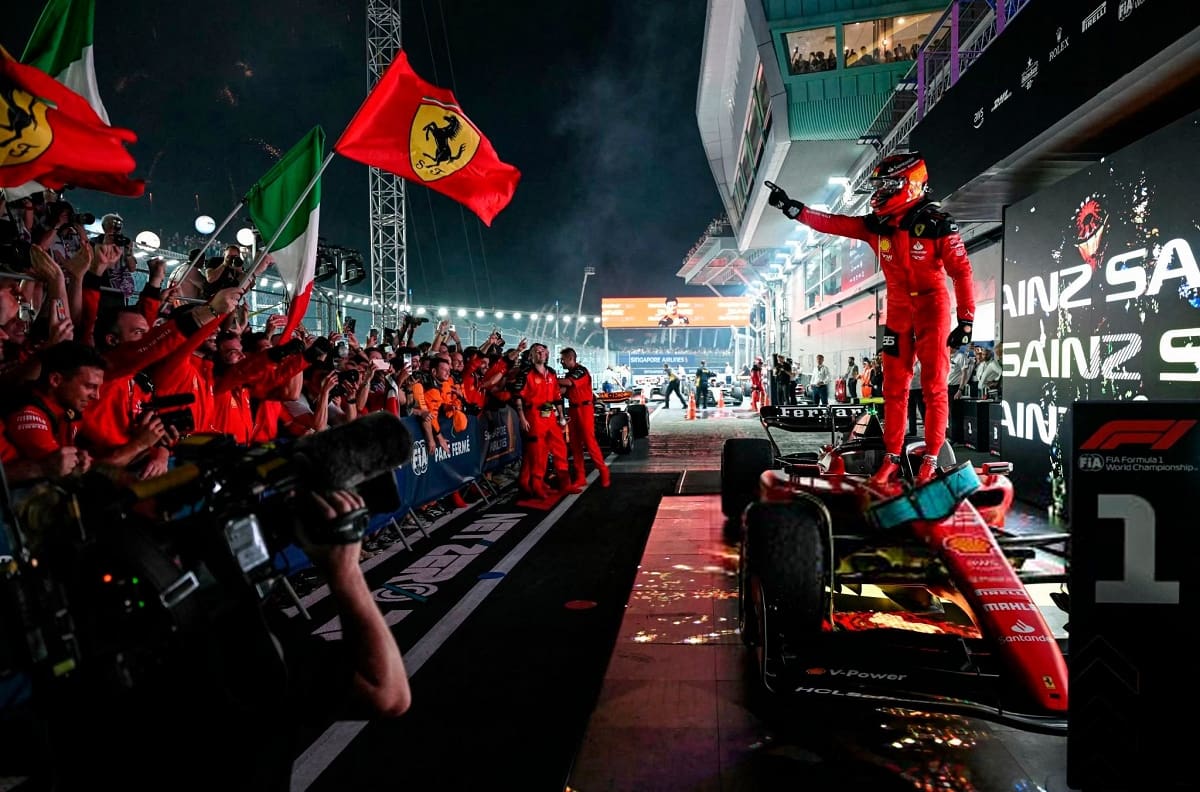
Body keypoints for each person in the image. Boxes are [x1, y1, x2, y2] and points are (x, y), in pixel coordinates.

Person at [767, 151, 975, 485]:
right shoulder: (875, 225)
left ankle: (931, 459)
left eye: (888, 184)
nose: (880, 191)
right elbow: (833, 223)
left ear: (910, 184)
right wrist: (795, 210)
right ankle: (892, 457)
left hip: (932, 307)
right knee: (894, 387)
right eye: (879, 184)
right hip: (897, 309)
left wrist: (965, 320)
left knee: (935, 386)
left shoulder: (938, 224)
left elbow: (961, 273)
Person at [559, 347, 611, 488]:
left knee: (590, 442)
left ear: (570, 358)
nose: (561, 363)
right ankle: (580, 477)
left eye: (563, 360)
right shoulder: (570, 373)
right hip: (574, 409)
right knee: (575, 445)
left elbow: (568, 384)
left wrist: (550, 378)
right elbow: (563, 389)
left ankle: (603, 471)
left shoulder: (581, 371)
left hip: (584, 409)